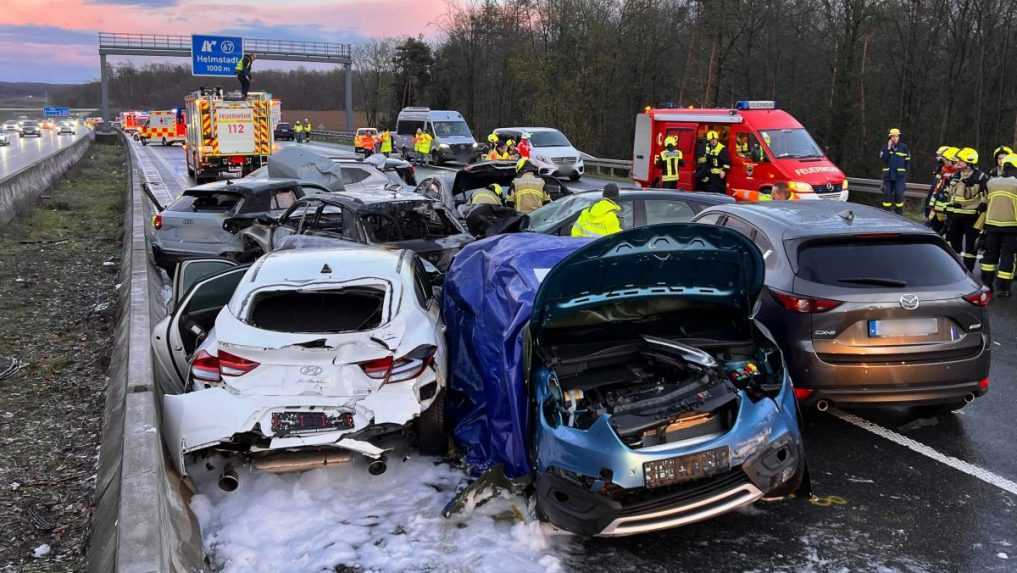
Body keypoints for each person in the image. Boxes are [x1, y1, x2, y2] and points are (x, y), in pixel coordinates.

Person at [977, 153, 1017, 296]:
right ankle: (1004, 288)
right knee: (1007, 256)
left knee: (989, 256)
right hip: (1012, 227)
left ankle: (987, 285)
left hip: (991, 225)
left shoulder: (992, 182)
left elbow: (985, 204)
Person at [945, 147, 989, 272]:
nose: (957, 162)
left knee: (970, 248)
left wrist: (982, 206)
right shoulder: (956, 175)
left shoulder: (981, 177)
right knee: (954, 245)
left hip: (972, 217)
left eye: (961, 160)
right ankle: (955, 271)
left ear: (969, 162)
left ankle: (968, 272)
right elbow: (950, 195)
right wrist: (948, 209)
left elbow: (986, 196)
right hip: (955, 216)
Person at [928, 146, 960, 234]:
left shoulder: (958, 175)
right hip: (938, 208)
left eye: (946, 159)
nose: (943, 161)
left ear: (954, 161)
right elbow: (937, 189)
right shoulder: (943, 170)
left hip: (949, 210)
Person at [879, 128, 910, 214]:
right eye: (893, 136)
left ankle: (898, 213)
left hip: (900, 177)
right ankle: (886, 213)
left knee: (899, 194)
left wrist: (904, 175)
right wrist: (889, 148)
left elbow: (907, 162)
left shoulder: (904, 147)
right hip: (888, 176)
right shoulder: (885, 147)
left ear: (899, 137)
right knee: (887, 195)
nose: (895, 138)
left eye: (897, 136)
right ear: (890, 137)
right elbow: (884, 160)